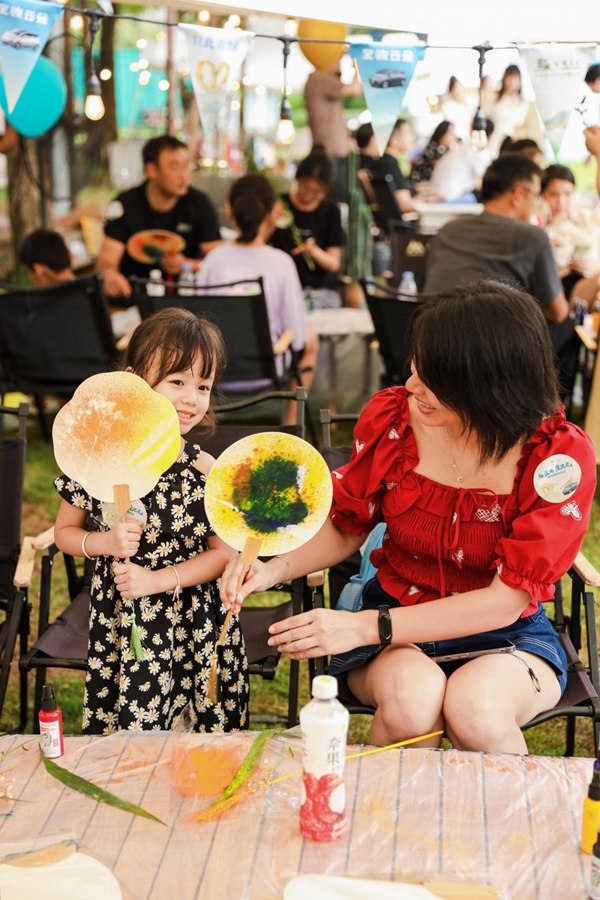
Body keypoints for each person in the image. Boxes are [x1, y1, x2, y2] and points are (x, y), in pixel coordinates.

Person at [220, 281, 596, 753]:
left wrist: (361, 627)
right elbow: (347, 523)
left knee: (477, 709)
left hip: (506, 633)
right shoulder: (395, 420)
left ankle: (500, 808)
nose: (413, 385)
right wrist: (273, 568)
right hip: (395, 615)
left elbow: (504, 602)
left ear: (490, 383)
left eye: (433, 377)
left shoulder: (556, 458)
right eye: (415, 367)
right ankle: (391, 806)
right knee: (412, 705)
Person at [53, 308, 246, 734]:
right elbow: (64, 533)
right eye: (177, 381)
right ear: (133, 383)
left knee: (199, 743)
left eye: (203, 386)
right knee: (131, 736)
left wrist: (158, 581)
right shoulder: (98, 459)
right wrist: (103, 543)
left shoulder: (204, 472)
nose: (192, 398)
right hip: (125, 623)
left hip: (194, 621)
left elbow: (223, 555)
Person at [424, 153, 577, 392]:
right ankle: (548, 400)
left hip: (433, 346)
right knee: (568, 321)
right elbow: (557, 312)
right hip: (492, 359)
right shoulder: (533, 237)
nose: (536, 204)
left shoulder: (447, 230)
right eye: (536, 196)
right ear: (518, 195)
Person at [197, 174, 317, 417]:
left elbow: (196, 322)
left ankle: (202, 419)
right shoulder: (281, 262)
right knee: (311, 338)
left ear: (229, 209)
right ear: (273, 212)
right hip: (266, 367)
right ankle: (292, 425)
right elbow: (296, 336)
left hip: (215, 368)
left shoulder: (212, 260)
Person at [97, 135, 222, 299]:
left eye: (186, 166)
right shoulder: (125, 204)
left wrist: (186, 265)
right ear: (151, 170)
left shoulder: (199, 203)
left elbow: (218, 260)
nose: (184, 175)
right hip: (134, 298)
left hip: (185, 302)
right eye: (175, 167)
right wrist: (109, 275)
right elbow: (106, 260)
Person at [270, 148, 345, 309]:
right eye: (305, 188)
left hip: (320, 291)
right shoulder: (279, 205)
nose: (309, 195)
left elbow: (333, 264)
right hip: (282, 287)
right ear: (297, 179)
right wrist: (270, 221)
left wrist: (313, 251)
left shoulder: (330, 211)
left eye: (317, 192)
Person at [303, 59, 362, 203]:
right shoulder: (320, 77)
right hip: (330, 154)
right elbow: (355, 89)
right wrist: (356, 62)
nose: (339, 63)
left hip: (332, 154)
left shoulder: (322, 81)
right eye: (337, 60)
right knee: (336, 202)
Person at [356, 120, 417, 214]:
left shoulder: (382, 162)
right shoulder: (389, 163)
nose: (411, 138)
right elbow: (404, 204)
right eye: (407, 134)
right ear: (394, 141)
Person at [488, 65, 529, 158]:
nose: (512, 83)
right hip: (492, 139)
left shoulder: (521, 103)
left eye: (515, 79)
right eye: (510, 79)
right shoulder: (493, 97)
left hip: (510, 142)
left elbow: (520, 125)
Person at [409, 121, 457, 191]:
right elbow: (445, 172)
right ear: (442, 134)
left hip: (428, 187)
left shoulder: (440, 149)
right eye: (451, 133)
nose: (454, 137)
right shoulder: (435, 150)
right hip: (421, 187)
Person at [440, 77, 473, 144]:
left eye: (460, 89)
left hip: (466, 140)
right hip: (454, 141)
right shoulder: (447, 106)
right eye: (456, 89)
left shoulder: (466, 106)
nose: (458, 92)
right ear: (451, 90)